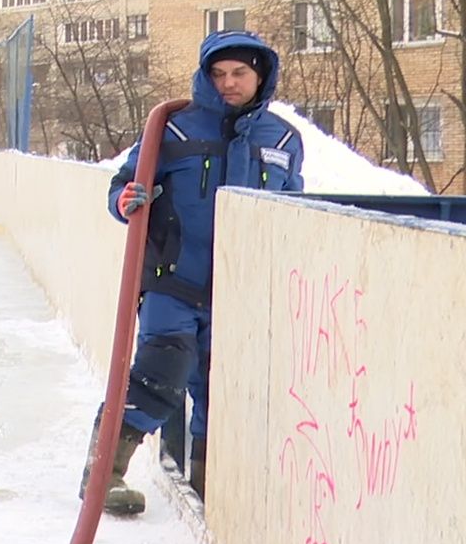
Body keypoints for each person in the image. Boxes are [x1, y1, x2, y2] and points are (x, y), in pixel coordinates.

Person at [86, 31, 305, 513]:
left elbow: (295, 211)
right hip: (174, 281)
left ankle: (208, 491)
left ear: (260, 76)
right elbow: (122, 186)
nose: (228, 83)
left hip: (239, 292)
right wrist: (125, 202)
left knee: (218, 390)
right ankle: (103, 476)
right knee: (159, 373)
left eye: (239, 74)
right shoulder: (173, 129)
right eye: (218, 74)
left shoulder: (285, 140)